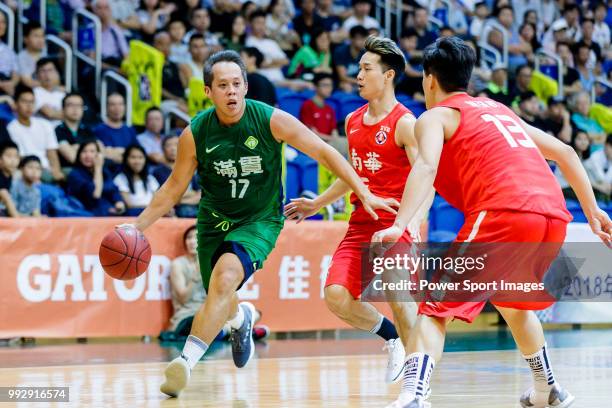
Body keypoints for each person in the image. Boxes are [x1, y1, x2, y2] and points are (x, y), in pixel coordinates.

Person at [124, 49, 396, 397]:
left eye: (237, 84)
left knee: (224, 279)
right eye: (222, 85)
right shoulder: (195, 133)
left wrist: (364, 193)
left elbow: (327, 152)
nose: (231, 92)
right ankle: (241, 320)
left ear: (246, 86)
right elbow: (173, 188)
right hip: (213, 221)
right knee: (220, 296)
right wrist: (137, 227)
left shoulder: (271, 120)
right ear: (208, 92)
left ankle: (185, 362)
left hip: (259, 220)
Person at [372, 36, 611, 408]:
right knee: (514, 303)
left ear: (429, 79)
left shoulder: (433, 117)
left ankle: (413, 396)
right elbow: (564, 152)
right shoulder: (497, 109)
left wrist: (399, 224)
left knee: (434, 309)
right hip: (552, 216)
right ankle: (547, 389)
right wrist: (594, 213)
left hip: (505, 212)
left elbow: (426, 165)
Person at [286, 36, 433, 385]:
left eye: (367, 69)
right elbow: (354, 176)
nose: (358, 75)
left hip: (396, 222)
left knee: (399, 295)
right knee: (336, 296)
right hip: (360, 224)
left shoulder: (405, 123)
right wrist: (317, 203)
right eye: (359, 68)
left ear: (389, 76)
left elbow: (427, 178)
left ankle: (416, 384)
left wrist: (411, 223)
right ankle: (392, 338)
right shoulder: (352, 120)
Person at [165, 225, 269, 342]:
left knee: (255, 313)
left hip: (212, 314)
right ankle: (239, 331)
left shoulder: (214, 263)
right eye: (189, 238)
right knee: (201, 325)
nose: (192, 242)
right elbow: (183, 298)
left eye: (196, 237)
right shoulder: (178, 264)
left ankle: (232, 330)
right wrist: (197, 273)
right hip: (187, 316)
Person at [7, 85, 64, 182]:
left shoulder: (45, 124)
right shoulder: (11, 128)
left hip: (48, 169)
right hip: (29, 170)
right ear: (16, 104)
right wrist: (36, 171)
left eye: (32, 102)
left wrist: (57, 171)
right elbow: (19, 157)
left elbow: (52, 153)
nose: (29, 106)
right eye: (24, 101)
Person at [66, 140, 126, 216]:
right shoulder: (75, 174)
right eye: (84, 151)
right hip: (87, 213)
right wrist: (98, 168)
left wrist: (119, 203)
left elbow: (113, 190)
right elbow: (96, 194)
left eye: (92, 152)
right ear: (79, 154)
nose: (88, 155)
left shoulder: (105, 172)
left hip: (108, 210)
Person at [152, 135, 200, 218]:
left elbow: (200, 195)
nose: (173, 148)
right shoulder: (158, 171)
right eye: (169, 145)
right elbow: (165, 196)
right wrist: (190, 193)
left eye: (176, 145)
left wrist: (181, 200)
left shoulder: (189, 168)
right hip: (171, 210)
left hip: (191, 206)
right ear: (163, 149)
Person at [113, 145, 160, 216]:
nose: (137, 161)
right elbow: (129, 205)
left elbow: (157, 201)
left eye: (140, 157)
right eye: (133, 157)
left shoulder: (150, 178)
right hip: (133, 215)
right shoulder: (120, 179)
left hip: (151, 214)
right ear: (126, 159)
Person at [93, 93, 139, 164]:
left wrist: (114, 151)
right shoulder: (98, 130)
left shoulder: (130, 130)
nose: (117, 108)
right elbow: (101, 154)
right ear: (107, 107)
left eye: (120, 104)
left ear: (125, 107)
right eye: (113, 104)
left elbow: (137, 153)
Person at [55, 93, 95, 169]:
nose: (75, 109)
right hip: (70, 170)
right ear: (63, 109)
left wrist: (76, 147)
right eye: (71, 105)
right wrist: (88, 149)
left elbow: (100, 152)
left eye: (79, 105)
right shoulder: (58, 131)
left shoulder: (87, 130)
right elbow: (72, 157)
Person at [0, 141, 20, 217]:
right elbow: (6, 199)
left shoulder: (13, 177)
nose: (13, 160)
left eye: (16, 156)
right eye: (9, 156)